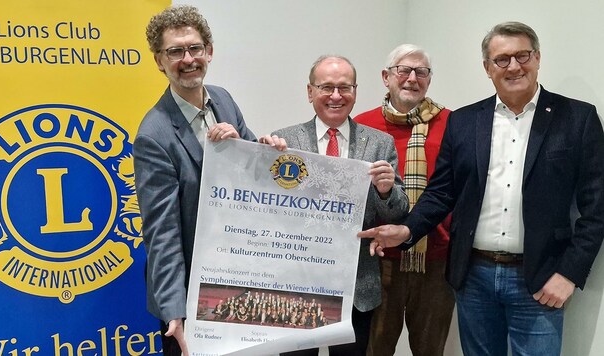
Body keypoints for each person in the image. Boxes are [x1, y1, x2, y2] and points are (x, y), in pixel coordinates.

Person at [358, 21, 604, 356]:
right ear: (487, 68)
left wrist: (569, 274)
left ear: (538, 58)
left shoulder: (577, 118)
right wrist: (407, 229)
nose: (514, 66)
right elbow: (442, 192)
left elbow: (597, 207)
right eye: (502, 59)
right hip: (474, 277)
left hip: (541, 279)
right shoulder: (465, 120)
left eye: (523, 56)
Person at [133, 5, 284, 356]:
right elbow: (162, 232)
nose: (188, 59)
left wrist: (263, 150)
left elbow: (252, 181)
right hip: (191, 294)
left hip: (239, 277)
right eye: (175, 51)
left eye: (195, 48)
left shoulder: (224, 100)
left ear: (209, 52)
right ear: (159, 60)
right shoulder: (153, 135)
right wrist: (175, 312)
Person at [275, 55, 409, 356]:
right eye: (326, 87)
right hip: (296, 286)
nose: (336, 96)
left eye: (344, 88)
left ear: (355, 91)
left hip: (356, 286)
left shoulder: (379, 143)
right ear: (310, 92)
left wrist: (387, 191)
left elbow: (397, 213)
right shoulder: (283, 141)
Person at [354, 44, 454, 356]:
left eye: (421, 71)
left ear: (429, 79)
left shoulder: (453, 124)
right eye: (403, 70)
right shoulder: (362, 125)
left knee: (430, 349)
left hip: (436, 261)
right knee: (374, 348)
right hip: (378, 261)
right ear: (386, 77)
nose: (412, 78)